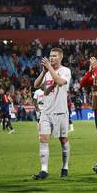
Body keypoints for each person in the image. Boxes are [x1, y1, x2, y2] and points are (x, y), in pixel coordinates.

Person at [32, 48, 72, 180]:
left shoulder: (65, 71)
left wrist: (50, 69)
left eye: (54, 56)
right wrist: (44, 72)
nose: (51, 58)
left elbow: (60, 82)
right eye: (50, 56)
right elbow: (36, 85)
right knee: (43, 139)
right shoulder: (47, 73)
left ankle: (65, 167)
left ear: (61, 57)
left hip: (60, 112)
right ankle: (44, 170)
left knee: (63, 140)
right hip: (46, 112)